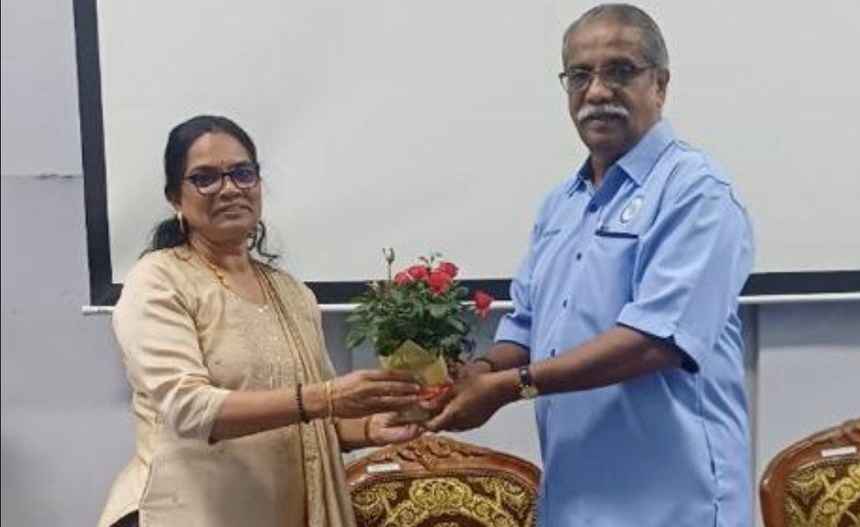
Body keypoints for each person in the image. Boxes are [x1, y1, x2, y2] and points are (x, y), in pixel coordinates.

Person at [426, 4, 754, 526]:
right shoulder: (560, 204)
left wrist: (509, 387)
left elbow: (654, 342)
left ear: (660, 84)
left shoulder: (696, 193)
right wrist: (479, 373)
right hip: (573, 502)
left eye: (619, 71)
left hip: (673, 505)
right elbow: (526, 328)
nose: (597, 91)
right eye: (580, 75)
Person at [98, 115, 424, 527]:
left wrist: (372, 427)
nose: (229, 189)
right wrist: (326, 399)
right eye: (205, 178)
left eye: (242, 173)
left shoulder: (291, 292)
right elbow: (190, 409)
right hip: (189, 513)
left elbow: (317, 422)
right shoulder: (159, 280)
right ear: (175, 198)